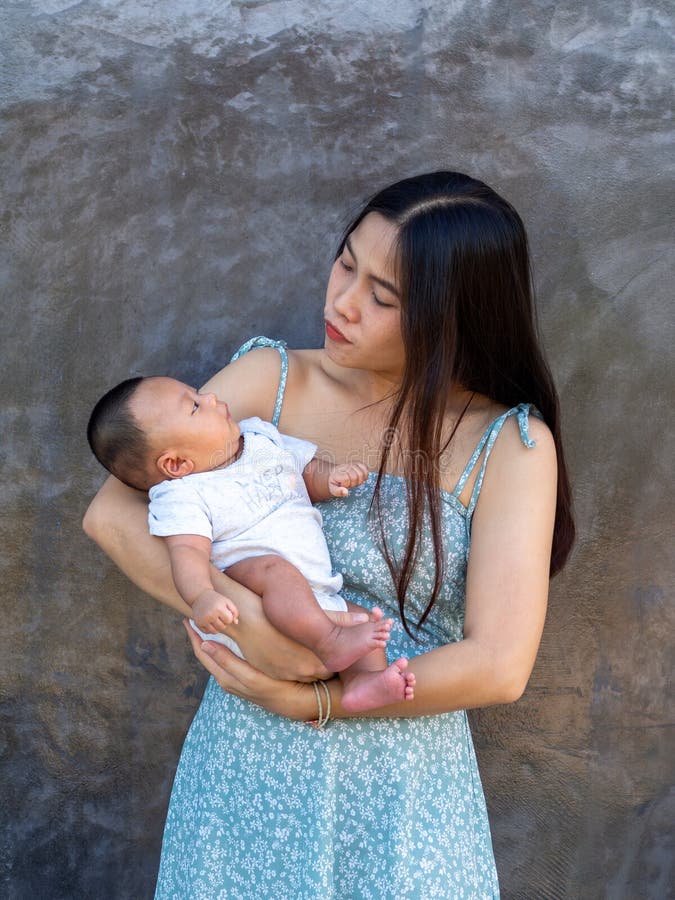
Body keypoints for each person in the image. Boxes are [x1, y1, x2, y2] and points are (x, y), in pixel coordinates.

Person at [83, 171, 574, 898]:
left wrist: (318, 700)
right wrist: (255, 626)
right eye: (346, 262)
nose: (341, 302)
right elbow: (114, 515)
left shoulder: (509, 444)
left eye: (383, 296)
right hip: (245, 773)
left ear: (453, 316)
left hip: (404, 799)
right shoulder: (269, 382)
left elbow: (499, 665)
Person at [86, 375, 415, 712]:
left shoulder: (258, 437)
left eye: (199, 393)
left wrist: (330, 478)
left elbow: (301, 472)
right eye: (196, 406)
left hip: (314, 592)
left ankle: (363, 683)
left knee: (362, 620)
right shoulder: (183, 494)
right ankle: (330, 642)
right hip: (255, 588)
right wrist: (202, 597)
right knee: (277, 571)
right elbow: (187, 554)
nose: (212, 397)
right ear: (177, 464)